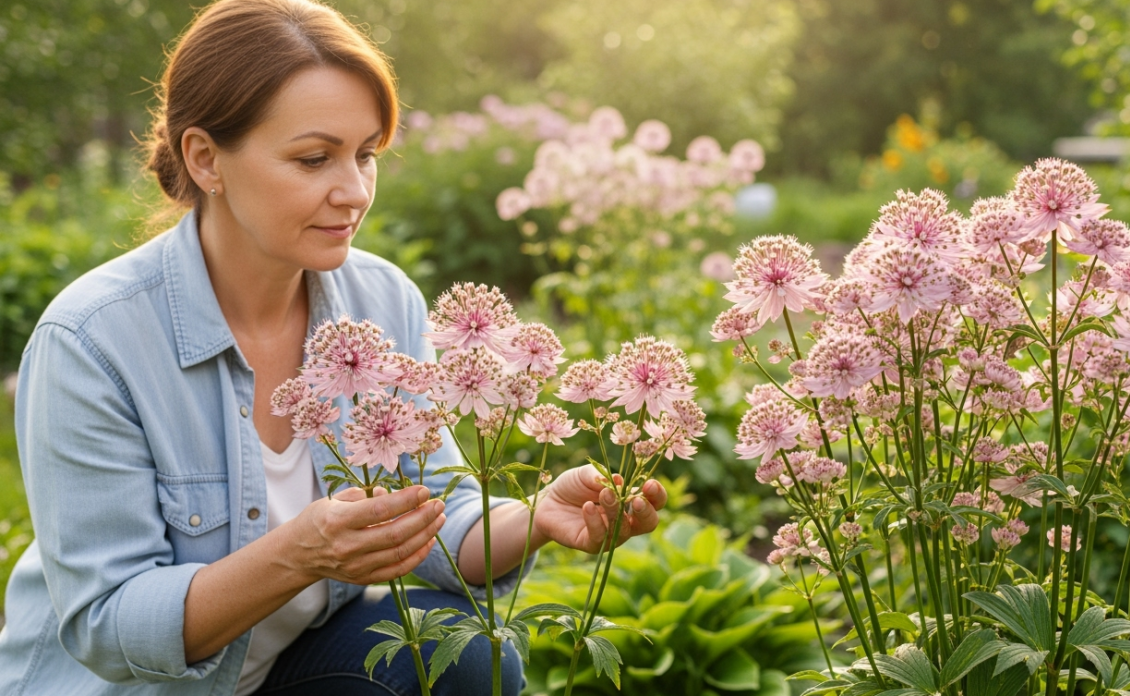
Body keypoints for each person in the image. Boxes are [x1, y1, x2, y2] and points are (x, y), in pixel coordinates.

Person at [0, 1, 667, 694]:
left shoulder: (381, 300)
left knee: (460, 652)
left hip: (284, 669)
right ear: (205, 159)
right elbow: (108, 626)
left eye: (366, 155)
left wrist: (537, 518)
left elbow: (435, 519)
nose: (354, 192)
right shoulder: (92, 340)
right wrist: (297, 555)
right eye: (314, 158)